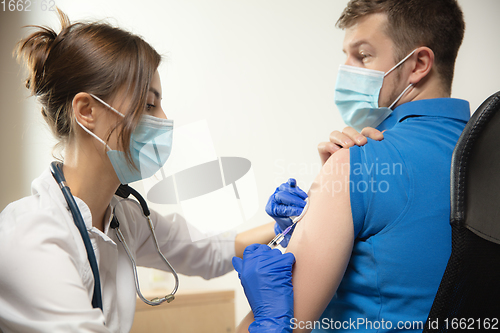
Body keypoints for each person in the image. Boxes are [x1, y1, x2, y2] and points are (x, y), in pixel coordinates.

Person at [0, 9, 291, 332]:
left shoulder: (122, 217)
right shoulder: (33, 240)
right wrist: (259, 325)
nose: (164, 120)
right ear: (87, 111)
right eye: (149, 105)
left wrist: (286, 225)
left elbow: (206, 251)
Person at [235, 0, 469, 332]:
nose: (346, 70)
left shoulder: (357, 160)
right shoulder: (484, 156)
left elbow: (287, 324)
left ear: (419, 63)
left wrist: (267, 317)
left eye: (362, 56)